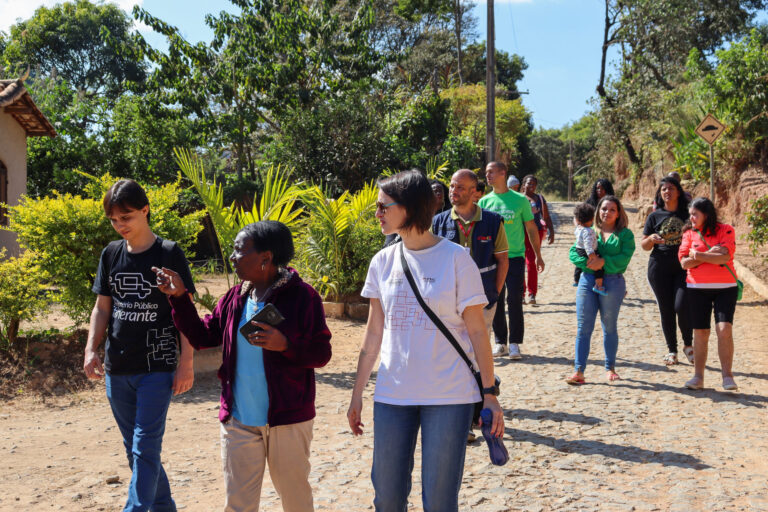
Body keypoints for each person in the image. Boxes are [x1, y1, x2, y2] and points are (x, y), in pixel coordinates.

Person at [347, 169, 504, 512]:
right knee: (386, 498)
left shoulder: (456, 259)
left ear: (409, 207)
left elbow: (478, 331)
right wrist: (357, 393)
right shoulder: (382, 262)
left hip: (449, 396)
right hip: (393, 394)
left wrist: (489, 393)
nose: (377, 213)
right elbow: (373, 333)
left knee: (439, 501)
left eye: (383, 206)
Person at [153, 221, 332, 511]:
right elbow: (201, 336)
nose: (233, 257)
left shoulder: (303, 297)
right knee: (238, 504)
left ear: (266, 257)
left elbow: (321, 353)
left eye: (240, 250)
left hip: (287, 420)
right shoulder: (235, 298)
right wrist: (178, 297)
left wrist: (285, 344)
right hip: (239, 420)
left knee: (295, 500)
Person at [83, 179, 196, 512]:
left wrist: (186, 361)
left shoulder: (169, 253)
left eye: (127, 217)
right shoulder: (111, 254)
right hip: (117, 368)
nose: (120, 226)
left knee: (145, 447)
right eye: (114, 220)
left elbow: (186, 311)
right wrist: (91, 348)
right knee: (135, 449)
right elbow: (102, 307)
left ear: (145, 210)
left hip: (156, 367)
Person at [432, 169, 509, 441]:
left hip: (483, 302)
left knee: (476, 356)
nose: (454, 191)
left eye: (461, 187)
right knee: (455, 356)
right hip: (448, 305)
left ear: (476, 192)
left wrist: (495, 294)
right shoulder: (438, 223)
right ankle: (463, 418)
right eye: (452, 186)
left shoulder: (492, 222)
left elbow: (503, 260)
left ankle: (476, 411)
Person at [566, 195, 635, 385]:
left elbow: (624, 258)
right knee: (583, 327)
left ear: (619, 213)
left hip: (613, 283)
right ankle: (578, 371)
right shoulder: (588, 231)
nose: (607, 212)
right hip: (587, 281)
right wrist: (592, 266)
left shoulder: (625, 235)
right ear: (598, 211)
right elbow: (574, 253)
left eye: (612, 209)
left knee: (609, 326)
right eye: (604, 209)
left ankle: (610, 368)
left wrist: (603, 262)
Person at [479, 161, 545, 359]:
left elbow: (531, 228)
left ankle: (515, 342)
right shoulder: (484, 202)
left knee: (515, 299)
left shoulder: (520, 200)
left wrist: (538, 256)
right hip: (492, 259)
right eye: (486, 173)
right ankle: (500, 343)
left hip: (514, 256)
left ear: (503, 173)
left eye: (491, 172)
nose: (488, 175)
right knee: (495, 299)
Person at [678, 198, 739, 391]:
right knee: (700, 332)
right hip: (697, 288)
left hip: (726, 287)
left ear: (707, 214)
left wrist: (697, 255)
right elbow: (684, 263)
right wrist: (710, 255)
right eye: (690, 214)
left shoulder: (726, 229)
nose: (692, 217)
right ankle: (698, 377)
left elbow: (725, 256)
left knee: (724, 329)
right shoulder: (688, 233)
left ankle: (727, 376)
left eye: (695, 214)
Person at [641, 177, 692, 365]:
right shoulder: (654, 216)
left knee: (682, 305)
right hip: (659, 268)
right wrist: (651, 239)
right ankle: (672, 350)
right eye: (663, 189)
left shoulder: (688, 214)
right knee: (666, 309)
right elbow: (644, 245)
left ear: (678, 191)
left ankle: (689, 345)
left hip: (683, 267)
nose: (666, 192)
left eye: (670, 188)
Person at [520, 175, 555, 304]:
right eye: (529, 184)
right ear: (523, 184)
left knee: (531, 262)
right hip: (520, 233)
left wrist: (551, 231)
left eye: (534, 184)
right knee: (519, 263)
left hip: (536, 232)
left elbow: (546, 216)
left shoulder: (539, 198)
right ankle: (521, 293)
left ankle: (532, 294)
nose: (531, 186)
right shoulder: (518, 198)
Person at [573, 203, 606, 295]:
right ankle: (598, 285)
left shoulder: (578, 228)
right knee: (599, 267)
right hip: (588, 251)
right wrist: (592, 255)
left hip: (579, 249)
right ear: (592, 219)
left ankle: (576, 280)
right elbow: (588, 244)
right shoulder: (589, 231)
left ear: (578, 220)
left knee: (579, 265)